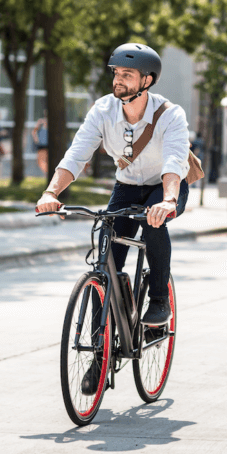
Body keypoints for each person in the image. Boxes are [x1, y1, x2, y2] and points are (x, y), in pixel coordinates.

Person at [36, 43, 189, 331]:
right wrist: (51, 192)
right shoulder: (103, 110)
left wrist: (168, 201)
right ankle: (99, 352)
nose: (118, 79)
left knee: (155, 225)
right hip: (127, 186)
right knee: (105, 263)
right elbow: (77, 154)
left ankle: (158, 299)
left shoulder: (171, 114)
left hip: (165, 187)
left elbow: (174, 161)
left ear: (147, 80)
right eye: (116, 72)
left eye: (127, 74)